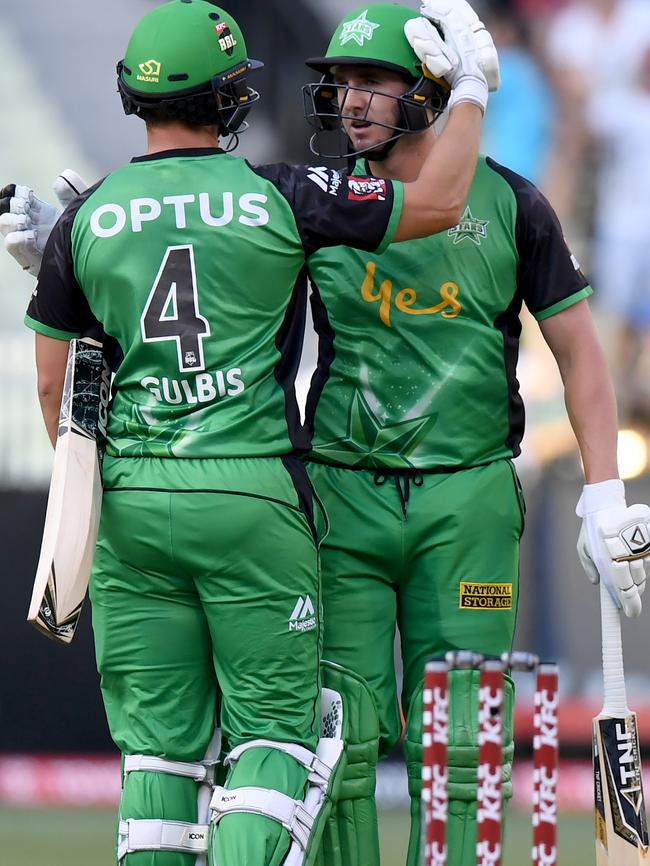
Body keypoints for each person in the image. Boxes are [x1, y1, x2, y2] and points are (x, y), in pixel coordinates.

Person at [0, 1, 498, 865]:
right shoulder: (281, 191)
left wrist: (68, 260)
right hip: (252, 496)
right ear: (230, 100)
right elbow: (443, 199)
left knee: (157, 754)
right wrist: (473, 93)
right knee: (272, 737)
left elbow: (57, 388)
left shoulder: (91, 216)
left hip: (135, 500)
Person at [300, 3, 650, 866]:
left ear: (427, 90)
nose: (349, 101)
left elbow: (583, 356)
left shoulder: (513, 204)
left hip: (469, 508)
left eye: (372, 81)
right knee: (336, 743)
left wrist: (607, 490)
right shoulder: (315, 199)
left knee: (461, 744)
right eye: (341, 83)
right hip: (342, 495)